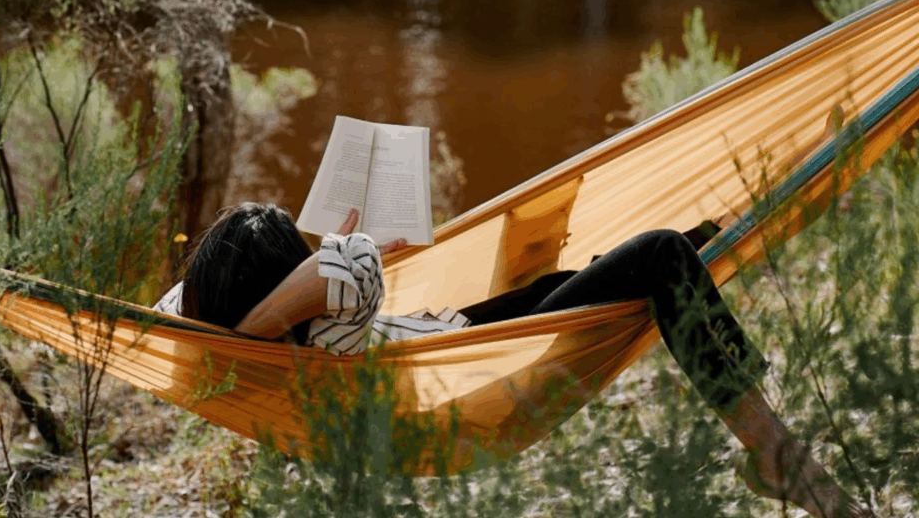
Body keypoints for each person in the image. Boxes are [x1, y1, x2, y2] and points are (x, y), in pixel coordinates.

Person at [154, 202, 871, 518]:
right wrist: (279, 306)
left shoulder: (221, 334)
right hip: (467, 371)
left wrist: (248, 324)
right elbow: (354, 264)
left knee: (577, 285)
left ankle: (701, 250)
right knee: (661, 256)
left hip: (447, 336)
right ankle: (777, 456)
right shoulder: (324, 323)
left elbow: (169, 304)